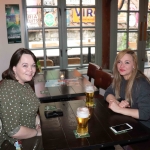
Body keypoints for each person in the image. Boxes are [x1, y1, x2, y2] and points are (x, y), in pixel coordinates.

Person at [0, 48, 43, 150]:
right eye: (25, 65)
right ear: (14, 68)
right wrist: (37, 132)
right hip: (14, 143)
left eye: (33, 65)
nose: (31, 70)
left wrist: (38, 123)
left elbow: (33, 109)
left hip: (30, 133)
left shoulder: (25, 84)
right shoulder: (8, 89)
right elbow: (13, 130)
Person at [104, 49, 150, 129]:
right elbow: (108, 92)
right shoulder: (120, 78)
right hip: (128, 120)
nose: (122, 66)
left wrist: (119, 109)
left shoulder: (141, 84)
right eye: (119, 62)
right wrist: (116, 102)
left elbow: (145, 114)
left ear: (134, 65)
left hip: (143, 128)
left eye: (127, 62)